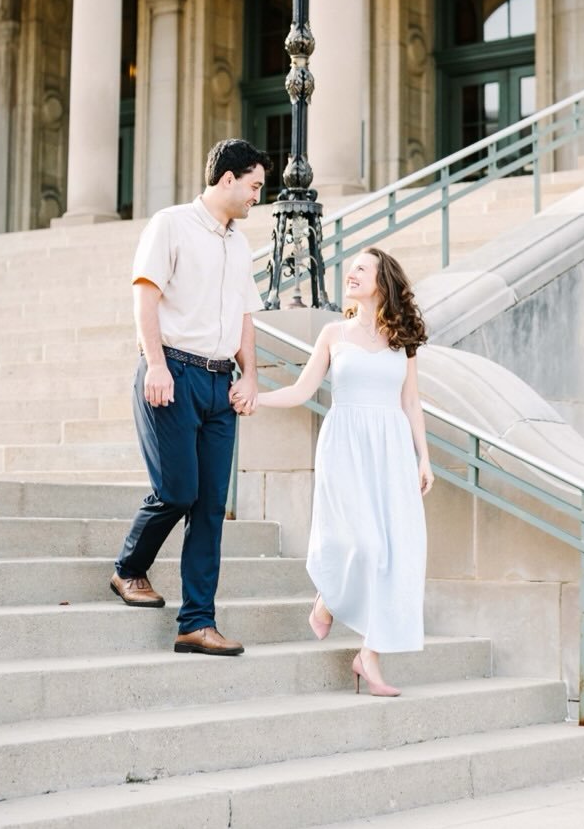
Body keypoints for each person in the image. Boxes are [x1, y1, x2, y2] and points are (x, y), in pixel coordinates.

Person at [242, 246, 433, 696]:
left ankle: (370, 656)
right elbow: (301, 389)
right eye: (349, 270)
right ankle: (328, 598)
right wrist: (256, 397)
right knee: (363, 545)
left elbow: (411, 402)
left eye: (361, 269)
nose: (351, 275)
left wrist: (423, 456)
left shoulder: (401, 339)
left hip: (390, 449)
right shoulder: (333, 333)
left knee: (393, 554)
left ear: (382, 280)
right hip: (346, 444)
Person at [109, 138, 271, 657]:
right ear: (228, 178)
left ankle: (197, 622)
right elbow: (145, 295)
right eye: (254, 185)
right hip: (172, 372)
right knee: (178, 492)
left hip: (220, 385)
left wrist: (250, 375)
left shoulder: (239, 244)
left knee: (210, 508)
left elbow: (246, 315)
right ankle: (129, 568)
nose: (257, 197)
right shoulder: (170, 224)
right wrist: (155, 363)